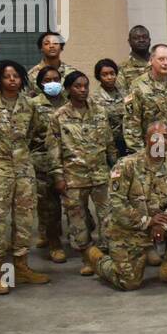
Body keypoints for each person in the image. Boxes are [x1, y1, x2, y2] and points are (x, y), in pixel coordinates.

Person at [0, 59, 52, 294]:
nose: (12, 80)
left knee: (24, 221)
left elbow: (34, 132)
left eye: (16, 76)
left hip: (24, 170)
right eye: (7, 76)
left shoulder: (29, 105)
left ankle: (21, 268)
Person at [86, 121, 167, 290]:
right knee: (129, 283)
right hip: (127, 228)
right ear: (146, 139)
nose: (160, 141)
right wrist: (147, 221)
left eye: (165, 137)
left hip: (158, 225)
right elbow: (116, 202)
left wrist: (164, 222)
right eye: (156, 137)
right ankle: (97, 258)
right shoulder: (126, 165)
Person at [49, 70, 118, 276]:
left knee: (107, 215)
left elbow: (109, 143)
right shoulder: (59, 116)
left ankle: (105, 255)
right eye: (77, 86)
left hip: (99, 173)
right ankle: (87, 256)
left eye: (85, 86)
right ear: (69, 89)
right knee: (77, 219)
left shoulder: (99, 111)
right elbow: (54, 149)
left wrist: (115, 168)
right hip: (73, 176)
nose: (82, 90)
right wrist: (58, 175)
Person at [123, 43, 167, 163]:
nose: (165, 63)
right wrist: (140, 156)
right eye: (161, 59)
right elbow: (131, 124)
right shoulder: (138, 86)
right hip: (153, 152)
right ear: (151, 60)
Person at [32, 64, 67, 262]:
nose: (52, 83)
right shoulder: (33, 105)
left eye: (56, 79)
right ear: (40, 84)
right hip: (43, 161)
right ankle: (54, 242)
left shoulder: (69, 101)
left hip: (70, 160)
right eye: (47, 80)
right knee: (49, 206)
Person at [93, 59, 127, 157]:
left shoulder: (125, 93)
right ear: (98, 77)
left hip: (128, 141)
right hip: (108, 145)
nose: (109, 77)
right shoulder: (95, 99)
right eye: (105, 74)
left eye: (112, 73)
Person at [26, 32, 75, 98]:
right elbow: (26, 99)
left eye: (55, 43)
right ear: (41, 48)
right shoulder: (31, 75)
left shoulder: (71, 73)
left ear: (61, 47)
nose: (51, 46)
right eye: (46, 43)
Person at [120, 25, 153, 90]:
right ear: (129, 42)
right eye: (136, 38)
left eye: (145, 37)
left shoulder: (161, 63)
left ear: (149, 40)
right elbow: (121, 94)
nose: (141, 40)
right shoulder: (122, 68)